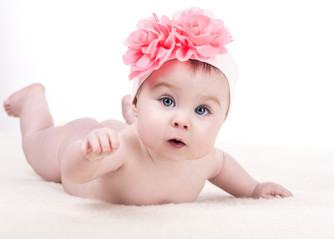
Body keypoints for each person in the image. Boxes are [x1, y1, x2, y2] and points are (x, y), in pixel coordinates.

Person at [3, 8, 293, 205]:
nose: (182, 120)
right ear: (140, 102)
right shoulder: (121, 150)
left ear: (223, 120)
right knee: (34, 143)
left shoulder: (205, 158)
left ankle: (133, 119)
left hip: (126, 132)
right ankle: (33, 101)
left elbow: (224, 166)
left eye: (202, 110)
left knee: (145, 131)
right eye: (167, 101)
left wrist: (254, 189)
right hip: (83, 143)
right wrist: (87, 155)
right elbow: (74, 174)